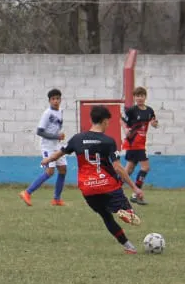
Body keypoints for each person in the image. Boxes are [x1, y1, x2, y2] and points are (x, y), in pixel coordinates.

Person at [42, 105, 145, 254]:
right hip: (108, 185)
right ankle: (126, 210)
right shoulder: (108, 141)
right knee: (126, 209)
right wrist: (135, 187)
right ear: (104, 121)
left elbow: (60, 153)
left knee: (105, 216)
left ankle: (129, 246)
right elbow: (117, 167)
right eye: (108, 122)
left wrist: (47, 160)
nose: (108, 125)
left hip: (88, 188)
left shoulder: (77, 139)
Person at [19, 88, 68, 206]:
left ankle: (56, 199)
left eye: (57, 98)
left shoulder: (60, 111)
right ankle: (27, 192)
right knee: (50, 171)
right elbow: (40, 132)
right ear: (49, 101)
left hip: (56, 145)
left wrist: (59, 136)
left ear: (60, 100)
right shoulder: (47, 113)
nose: (56, 101)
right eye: (53, 99)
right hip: (47, 146)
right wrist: (56, 136)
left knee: (63, 169)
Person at [122, 86, 159, 205]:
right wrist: (126, 130)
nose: (139, 98)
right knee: (145, 167)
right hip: (134, 143)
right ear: (134, 97)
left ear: (145, 97)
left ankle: (111, 190)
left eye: (142, 96)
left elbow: (154, 123)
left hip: (141, 143)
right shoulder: (131, 110)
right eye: (137, 96)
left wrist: (154, 123)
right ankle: (136, 194)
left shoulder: (149, 110)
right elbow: (124, 122)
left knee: (128, 170)